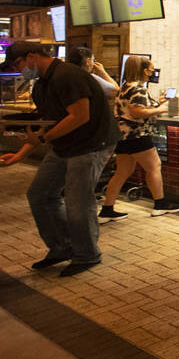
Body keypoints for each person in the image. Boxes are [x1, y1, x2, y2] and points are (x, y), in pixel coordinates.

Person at [0, 41, 119, 276]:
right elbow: (45, 123)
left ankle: (87, 254)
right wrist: (21, 154)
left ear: (32, 56)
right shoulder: (41, 84)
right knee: (40, 194)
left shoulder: (67, 75)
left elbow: (79, 116)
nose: (19, 69)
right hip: (65, 144)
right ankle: (62, 247)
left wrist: (43, 140)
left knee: (78, 201)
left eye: (19, 63)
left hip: (91, 143)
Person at [98, 55, 179, 222]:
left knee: (123, 171)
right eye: (151, 70)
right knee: (154, 166)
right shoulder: (138, 88)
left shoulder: (125, 87)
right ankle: (160, 204)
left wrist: (157, 103)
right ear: (143, 70)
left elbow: (133, 107)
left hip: (122, 135)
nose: (152, 73)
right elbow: (137, 112)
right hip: (137, 135)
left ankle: (107, 209)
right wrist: (161, 110)